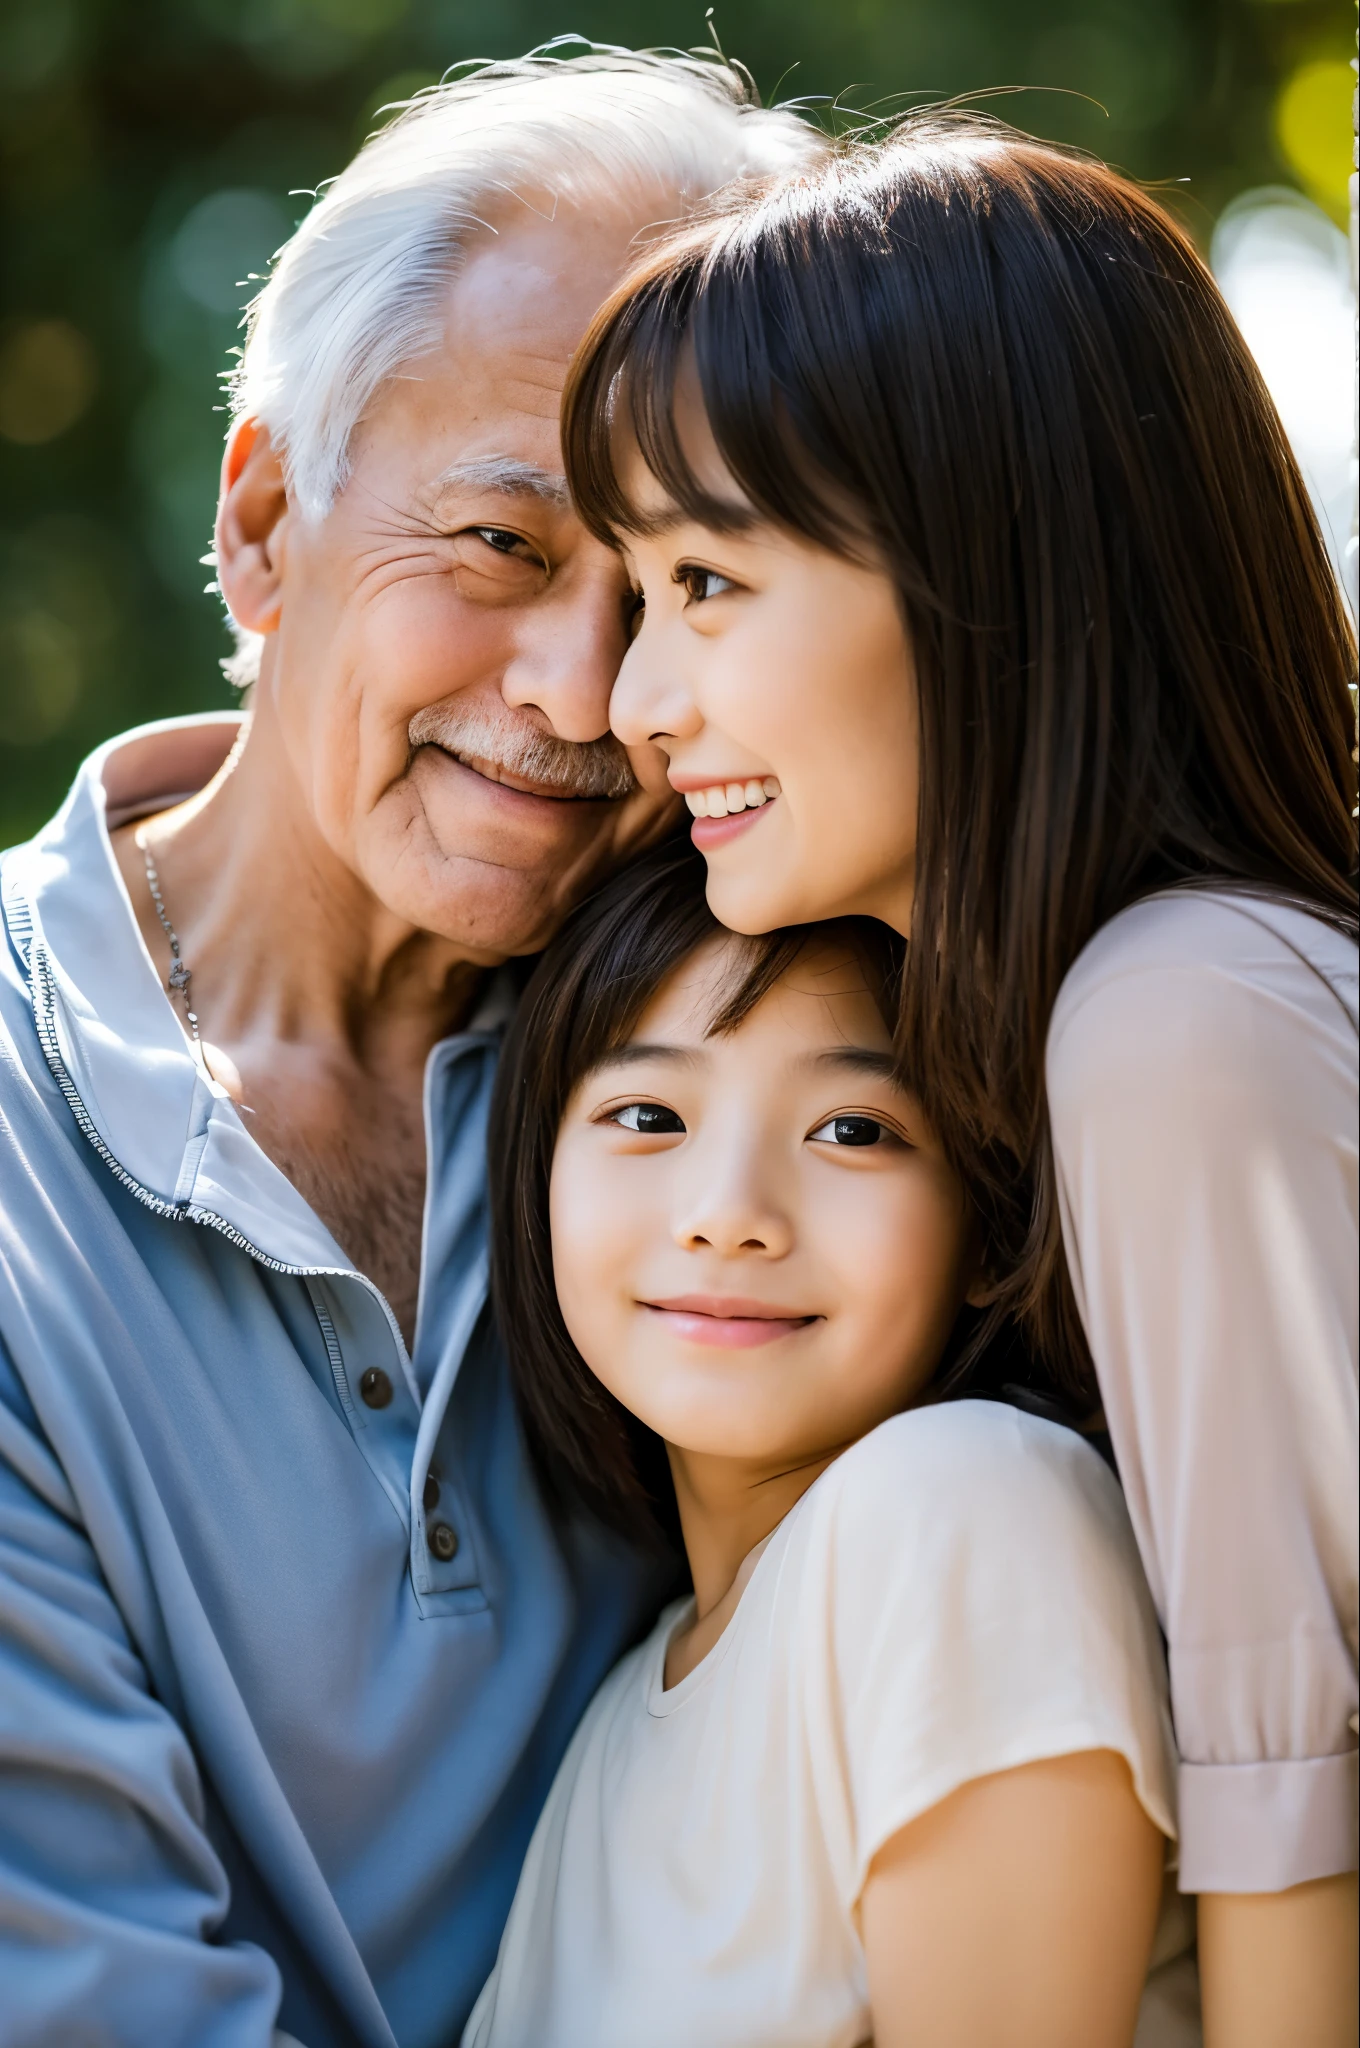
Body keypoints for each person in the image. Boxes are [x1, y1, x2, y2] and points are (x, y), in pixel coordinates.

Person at [0, 50, 822, 2048]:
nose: (580, 692)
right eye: (500, 546)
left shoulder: (771, 1067)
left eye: (678, 591)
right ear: (266, 525)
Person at [562, 114, 1359, 2044]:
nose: (630, 704)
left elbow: (1299, 1793)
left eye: (706, 585)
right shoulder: (1092, 1038)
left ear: (978, 570)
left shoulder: (1184, 1011)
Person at [463, 836, 1181, 2048]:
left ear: (988, 1229)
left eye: (853, 1128)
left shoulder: (964, 1510)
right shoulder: (611, 1716)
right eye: (648, 1113)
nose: (730, 1213)